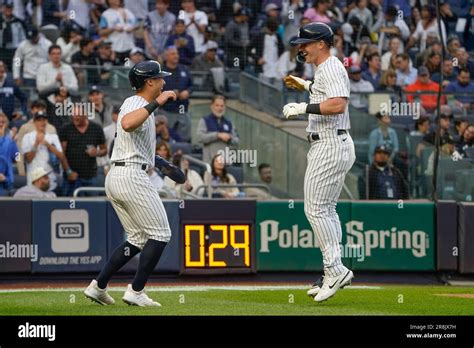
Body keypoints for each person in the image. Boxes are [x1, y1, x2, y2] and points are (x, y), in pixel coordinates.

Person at [84, 60, 177, 307]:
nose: (163, 82)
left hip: (119, 174)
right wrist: (159, 100)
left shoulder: (134, 104)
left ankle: (98, 286)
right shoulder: (139, 103)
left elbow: (131, 139)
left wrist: (160, 162)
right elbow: (127, 124)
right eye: (160, 78)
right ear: (149, 82)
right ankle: (136, 291)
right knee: (161, 234)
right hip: (130, 176)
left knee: (137, 238)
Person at [282, 22, 356, 302]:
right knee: (326, 209)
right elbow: (327, 94)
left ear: (321, 44)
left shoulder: (332, 66)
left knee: (315, 210)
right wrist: (306, 85)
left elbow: (338, 104)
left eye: (306, 43)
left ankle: (334, 270)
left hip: (330, 143)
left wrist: (303, 106)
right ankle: (333, 271)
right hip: (331, 142)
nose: (301, 48)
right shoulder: (324, 69)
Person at [59, 105, 107, 196]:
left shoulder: (96, 129)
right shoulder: (65, 129)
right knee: (70, 206)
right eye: (73, 115)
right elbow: (62, 153)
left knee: (93, 206)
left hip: (91, 176)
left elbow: (104, 150)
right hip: (72, 176)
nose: (75, 117)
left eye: (78, 115)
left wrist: (96, 152)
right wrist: (68, 171)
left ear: (85, 115)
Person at [21, 111, 71, 193]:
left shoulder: (53, 137)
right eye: (39, 120)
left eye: (44, 120)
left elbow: (61, 156)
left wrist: (48, 145)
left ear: (47, 121)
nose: (42, 122)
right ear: (34, 122)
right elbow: (28, 159)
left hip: (50, 180)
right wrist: (36, 143)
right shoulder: (27, 137)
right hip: (34, 180)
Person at [161, 46, 193, 142]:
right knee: (166, 139)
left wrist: (188, 92)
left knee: (184, 140)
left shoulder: (184, 69)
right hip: (167, 110)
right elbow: (155, 91)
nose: (176, 56)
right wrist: (169, 94)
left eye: (177, 54)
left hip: (183, 110)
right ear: (166, 56)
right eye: (173, 54)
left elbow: (191, 85)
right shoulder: (161, 72)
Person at [196, 95, 239, 164]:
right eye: (217, 105)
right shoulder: (205, 120)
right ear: (212, 106)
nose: (219, 108)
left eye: (222, 106)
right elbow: (200, 137)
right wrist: (217, 135)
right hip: (209, 163)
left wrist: (229, 138)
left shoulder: (229, 123)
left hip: (225, 164)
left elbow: (237, 141)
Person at [250, 17, 285, 82]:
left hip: (276, 67)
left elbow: (282, 49)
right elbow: (249, 50)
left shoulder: (277, 37)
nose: (272, 33)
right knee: (263, 88)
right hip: (263, 67)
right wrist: (258, 58)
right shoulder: (259, 37)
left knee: (277, 88)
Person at [0, 2, 26, 69]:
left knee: (17, 67)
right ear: (3, 8)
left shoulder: (18, 22)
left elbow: (23, 38)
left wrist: (21, 49)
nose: (8, 10)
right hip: (2, 51)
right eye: (6, 8)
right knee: (2, 69)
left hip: (15, 51)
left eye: (10, 8)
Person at [0, 113, 17, 196]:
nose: (0, 124)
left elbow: (18, 159)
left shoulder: (10, 141)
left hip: (6, 183)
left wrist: (13, 142)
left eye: (3, 122)